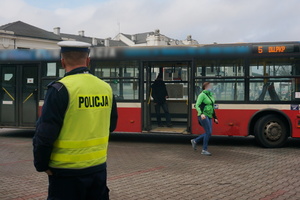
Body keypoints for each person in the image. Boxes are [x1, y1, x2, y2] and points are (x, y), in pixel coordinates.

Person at [33, 41, 118, 200]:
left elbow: (44, 135)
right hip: (98, 169)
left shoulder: (59, 89)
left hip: (66, 174)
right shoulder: (105, 88)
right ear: (88, 61)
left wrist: (41, 165)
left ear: (62, 62)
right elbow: (111, 125)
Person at [191, 82, 218, 156]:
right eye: (209, 86)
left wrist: (215, 117)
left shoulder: (210, 95)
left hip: (209, 116)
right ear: (205, 87)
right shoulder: (202, 95)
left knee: (209, 133)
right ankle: (204, 150)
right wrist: (201, 113)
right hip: (203, 116)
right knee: (208, 132)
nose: (211, 87)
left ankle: (195, 141)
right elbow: (197, 105)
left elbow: (212, 107)